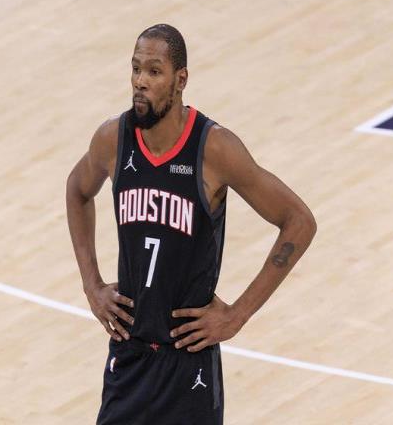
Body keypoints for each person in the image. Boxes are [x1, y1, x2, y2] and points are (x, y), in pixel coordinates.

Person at [66, 23, 317, 425]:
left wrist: (237, 314)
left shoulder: (214, 148)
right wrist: (91, 285)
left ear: (180, 80)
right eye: (135, 69)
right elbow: (78, 191)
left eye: (154, 71)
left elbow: (298, 222)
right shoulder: (113, 139)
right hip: (129, 357)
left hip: (188, 366)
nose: (140, 81)